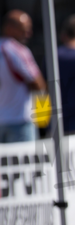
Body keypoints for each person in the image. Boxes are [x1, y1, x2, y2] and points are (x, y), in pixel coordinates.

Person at [0, 10, 46, 143]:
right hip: (19, 120)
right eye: (24, 30)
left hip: (3, 121)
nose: (28, 34)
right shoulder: (18, 50)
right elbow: (38, 84)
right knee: (26, 163)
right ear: (10, 28)